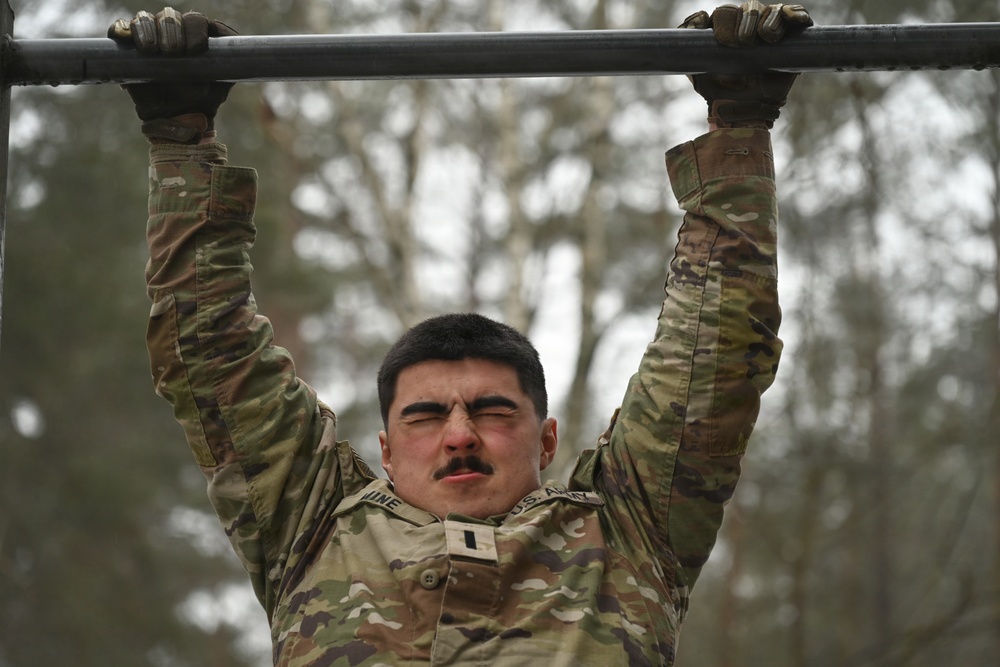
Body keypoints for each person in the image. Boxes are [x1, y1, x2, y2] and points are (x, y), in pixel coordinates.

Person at [111, 3, 809, 665]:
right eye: (425, 415)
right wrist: (179, 136)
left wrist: (739, 126)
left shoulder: (626, 532)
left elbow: (713, 359)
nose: (459, 434)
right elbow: (211, 352)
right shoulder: (314, 527)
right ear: (384, 451)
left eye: (492, 409)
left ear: (546, 440)